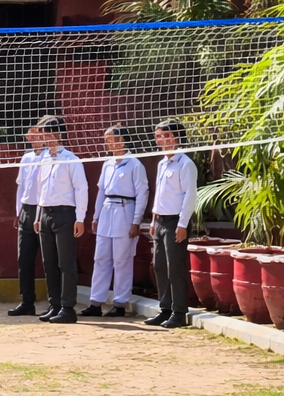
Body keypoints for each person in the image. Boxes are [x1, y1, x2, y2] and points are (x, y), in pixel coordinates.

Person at [83, 126, 149, 318]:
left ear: (122, 140)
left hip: (125, 209)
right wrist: (96, 216)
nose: (108, 144)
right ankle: (96, 302)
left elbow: (142, 193)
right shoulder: (108, 164)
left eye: (111, 140)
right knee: (101, 257)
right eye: (107, 140)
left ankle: (120, 303)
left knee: (122, 259)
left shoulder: (135, 165)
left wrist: (136, 220)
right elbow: (101, 191)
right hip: (107, 210)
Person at [32, 115, 87, 325]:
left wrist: (80, 218)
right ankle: (54, 304)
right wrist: (38, 216)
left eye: (48, 133)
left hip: (65, 214)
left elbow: (81, 188)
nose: (45, 138)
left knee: (66, 263)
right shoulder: (43, 159)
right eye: (43, 133)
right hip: (45, 213)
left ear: (58, 134)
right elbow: (41, 189)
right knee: (49, 263)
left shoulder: (71, 159)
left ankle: (67, 307)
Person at [146, 120, 199, 330]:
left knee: (175, 267)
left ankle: (179, 311)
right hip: (160, 221)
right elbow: (159, 194)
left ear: (176, 138)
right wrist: (153, 219)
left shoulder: (185, 163)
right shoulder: (162, 163)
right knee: (159, 266)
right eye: (158, 136)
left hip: (175, 221)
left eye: (165, 136)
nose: (161, 140)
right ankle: (165, 308)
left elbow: (190, 195)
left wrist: (183, 224)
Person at [8, 121, 48, 317]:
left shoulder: (52, 157)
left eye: (33, 133)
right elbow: (21, 187)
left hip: (46, 211)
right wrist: (19, 212)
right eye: (28, 133)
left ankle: (54, 303)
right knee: (24, 259)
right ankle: (26, 301)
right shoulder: (26, 157)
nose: (29, 137)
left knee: (50, 260)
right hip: (27, 210)